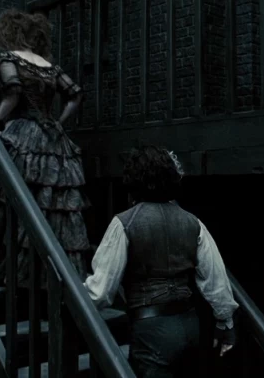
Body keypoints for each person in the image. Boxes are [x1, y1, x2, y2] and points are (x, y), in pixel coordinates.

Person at [0, 9, 91, 289]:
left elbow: (13, 92)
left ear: (10, 33)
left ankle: (4, 269)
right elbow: (75, 95)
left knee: (5, 200)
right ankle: (45, 275)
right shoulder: (50, 66)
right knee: (49, 206)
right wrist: (58, 123)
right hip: (54, 141)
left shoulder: (8, 58)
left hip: (22, 134)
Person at [85, 146, 238, 377]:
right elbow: (215, 279)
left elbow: (101, 292)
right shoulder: (193, 222)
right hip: (190, 325)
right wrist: (225, 322)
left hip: (151, 330)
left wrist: (71, 297)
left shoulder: (124, 223)